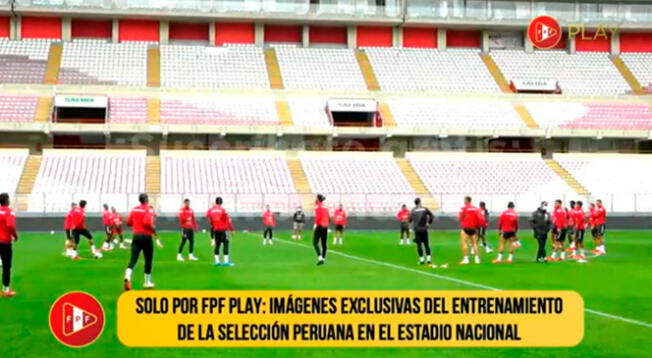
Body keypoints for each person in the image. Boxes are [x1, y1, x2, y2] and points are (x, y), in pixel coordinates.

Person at [124, 193, 156, 290]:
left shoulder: (134, 209)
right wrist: (152, 227)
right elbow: (146, 222)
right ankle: (147, 282)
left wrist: (137, 223)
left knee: (133, 259)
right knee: (148, 259)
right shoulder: (148, 209)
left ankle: (127, 276)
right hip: (146, 236)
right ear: (146, 199)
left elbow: (128, 222)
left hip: (136, 236)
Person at [207, 197, 234, 267]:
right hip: (223, 229)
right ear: (221, 202)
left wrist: (213, 225)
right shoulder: (223, 210)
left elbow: (208, 217)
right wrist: (231, 230)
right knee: (226, 244)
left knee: (217, 245)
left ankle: (217, 262)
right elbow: (227, 221)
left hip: (216, 229)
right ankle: (226, 262)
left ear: (216, 202)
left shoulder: (211, 210)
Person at [0, 193, 18, 297]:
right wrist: (15, 236)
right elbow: (10, 225)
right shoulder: (10, 212)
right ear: (7, 200)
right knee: (7, 266)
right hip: (5, 242)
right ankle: (6, 289)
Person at [458, 196, 483, 265]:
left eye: (464, 200)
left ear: (466, 200)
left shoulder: (464, 208)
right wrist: (478, 226)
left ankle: (466, 259)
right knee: (474, 243)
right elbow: (480, 219)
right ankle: (477, 259)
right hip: (473, 228)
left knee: (464, 243)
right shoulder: (476, 209)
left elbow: (460, 218)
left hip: (466, 227)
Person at [410, 197, 434, 266]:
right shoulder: (425, 209)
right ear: (420, 202)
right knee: (426, 244)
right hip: (424, 229)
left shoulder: (413, 210)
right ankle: (429, 260)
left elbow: (410, 220)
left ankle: (421, 260)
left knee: (419, 245)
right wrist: (428, 223)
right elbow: (432, 216)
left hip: (417, 230)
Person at [313, 194, 330, 266]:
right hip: (325, 226)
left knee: (315, 242)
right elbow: (328, 217)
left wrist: (315, 224)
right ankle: (323, 258)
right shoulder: (325, 207)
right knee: (324, 243)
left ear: (318, 199)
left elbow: (318, 217)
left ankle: (320, 258)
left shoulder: (317, 207)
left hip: (320, 225)